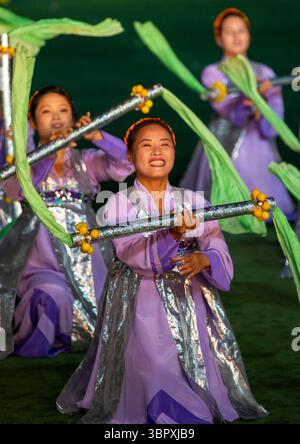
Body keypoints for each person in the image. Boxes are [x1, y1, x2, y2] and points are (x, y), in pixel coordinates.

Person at [56, 117, 267, 424]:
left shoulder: (194, 201)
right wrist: (175, 235)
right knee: (154, 367)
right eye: (146, 145)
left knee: (193, 367)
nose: (157, 151)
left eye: (164, 144)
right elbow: (133, 256)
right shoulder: (117, 205)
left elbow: (215, 243)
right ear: (129, 156)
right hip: (140, 302)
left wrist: (205, 260)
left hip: (189, 299)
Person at [0, 85, 134, 358]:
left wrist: (96, 135)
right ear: (34, 123)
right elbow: (18, 190)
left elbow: (126, 163)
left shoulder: (85, 161)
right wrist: (49, 152)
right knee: (49, 293)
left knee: (115, 310)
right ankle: (39, 348)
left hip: (86, 258)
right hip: (41, 261)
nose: (56, 117)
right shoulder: (24, 164)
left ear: (73, 118)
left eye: (63, 110)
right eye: (46, 112)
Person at [180, 7, 295, 219]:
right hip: (223, 145)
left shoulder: (266, 73)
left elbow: (273, 125)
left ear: (249, 34)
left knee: (266, 210)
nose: (236, 36)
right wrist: (250, 95)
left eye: (241, 30)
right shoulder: (213, 73)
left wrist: (264, 104)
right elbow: (232, 114)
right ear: (219, 38)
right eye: (229, 31)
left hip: (259, 145)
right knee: (219, 212)